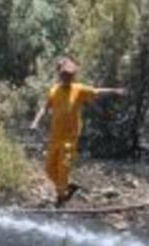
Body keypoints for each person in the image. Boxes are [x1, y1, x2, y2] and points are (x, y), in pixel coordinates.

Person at [30, 57, 126, 207]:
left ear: (73, 76)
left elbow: (97, 91)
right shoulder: (54, 90)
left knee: (63, 168)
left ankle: (61, 199)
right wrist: (35, 122)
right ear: (59, 74)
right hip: (55, 138)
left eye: (70, 75)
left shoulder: (79, 89)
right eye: (64, 74)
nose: (67, 77)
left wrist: (114, 91)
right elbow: (45, 107)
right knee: (49, 169)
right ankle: (66, 189)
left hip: (70, 139)